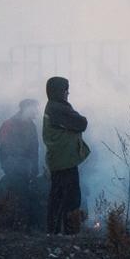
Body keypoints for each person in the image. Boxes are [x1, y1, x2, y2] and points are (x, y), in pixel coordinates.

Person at [42, 77, 89, 234]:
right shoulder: (58, 108)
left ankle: (54, 232)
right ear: (58, 91)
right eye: (65, 89)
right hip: (65, 162)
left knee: (57, 198)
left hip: (59, 160)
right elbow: (82, 123)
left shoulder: (53, 107)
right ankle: (69, 234)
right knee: (71, 200)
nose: (68, 93)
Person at [0, 98, 44, 231]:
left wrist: (34, 168)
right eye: (35, 108)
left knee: (24, 197)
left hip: (26, 169)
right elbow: (4, 148)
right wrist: (9, 166)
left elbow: (34, 150)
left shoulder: (31, 125)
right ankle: (17, 227)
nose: (36, 111)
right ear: (26, 108)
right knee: (19, 197)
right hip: (15, 168)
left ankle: (22, 226)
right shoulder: (9, 124)